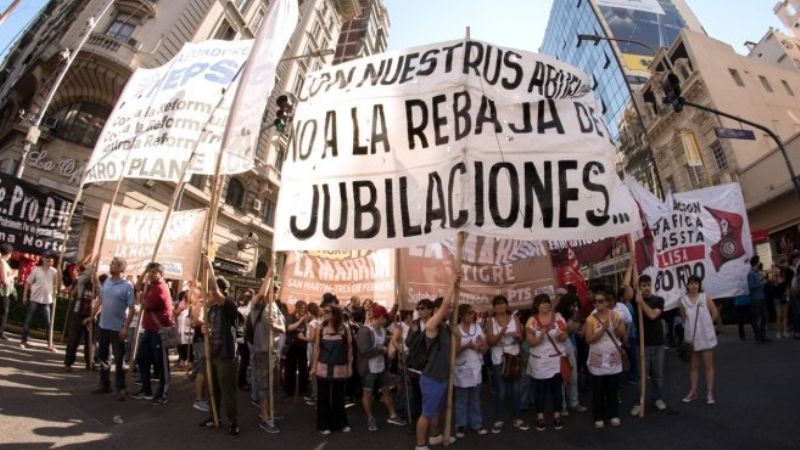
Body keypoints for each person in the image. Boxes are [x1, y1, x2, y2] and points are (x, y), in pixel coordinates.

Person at [199, 255, 241, 436]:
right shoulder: (212, 309)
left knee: (228, 391)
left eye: (212, 290)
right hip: (213, 355)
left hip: (226, 356)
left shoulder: (229, 306)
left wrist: (208, 266)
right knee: (212, 388)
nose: (209, 293)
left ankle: (233, 422)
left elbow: (215, 292)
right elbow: (208, 329)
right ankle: (214, 416)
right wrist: (204, 330)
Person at [415, 279, 458, 450]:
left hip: (442, 377)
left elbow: (455, 352)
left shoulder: (447, 328)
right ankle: (420, 445)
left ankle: (434, 436)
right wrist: (453, 282)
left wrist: (458, 336)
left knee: (437, 411)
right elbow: (445, 303)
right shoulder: (432, 325)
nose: (449, 310)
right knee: (427, 413)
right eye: (446, 309)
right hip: (431, 378)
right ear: (437, 311)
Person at [87, 257, 135, 399]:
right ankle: (104, 384)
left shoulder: (127, 286)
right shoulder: (107, 281)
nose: (110, 265)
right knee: (103, 357)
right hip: (103, 326)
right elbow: (100, 301)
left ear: (121, 267)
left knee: (119, 360)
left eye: (113, 264)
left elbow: (132, 309)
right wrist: (91, 316)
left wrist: (125, 328)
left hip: (117, 328)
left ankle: (120, 388)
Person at [356, 304, 407, 431]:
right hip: (368, 368)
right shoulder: (365, 330)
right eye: (385, 317)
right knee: (368, 393)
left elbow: (386, 339)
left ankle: (392, 415)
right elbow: (363, 350)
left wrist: (395, 336)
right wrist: (381, 350)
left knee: (386, 391)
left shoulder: (382, 330)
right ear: (380, 317)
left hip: (381, 367)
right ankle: (370, 418)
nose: (387, 319)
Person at [623, 271, 667, 415]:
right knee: (642, 376)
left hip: (658, 343)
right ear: (639, 287)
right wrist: (630, 265)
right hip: (642, 345)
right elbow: (625, 285)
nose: (647, 288)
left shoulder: (658, 300)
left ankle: (657, 398)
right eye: (643, 285)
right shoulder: (636, 300)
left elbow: (653, 315)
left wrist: (642, 303)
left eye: (648, 285)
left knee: (658, 374)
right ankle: (639, 401)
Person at [485, 295, 527, 433]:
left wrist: (517, 336)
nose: (500, 306)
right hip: (498, 360)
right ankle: (498, 420)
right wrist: (501, 334)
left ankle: (518, 418)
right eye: (497, 304)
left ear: (507, 305)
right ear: (494, 307)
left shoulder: (514, 318)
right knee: (500, 391)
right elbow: (490, 342)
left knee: (517, 390)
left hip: (514, 358)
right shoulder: (490, 321)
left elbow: (521, 339)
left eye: (502, 303)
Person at [584, 288, 625, 429]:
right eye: (595, 301)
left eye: (600, 301)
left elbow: (621, 335)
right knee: (598, 389)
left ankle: (613, 414)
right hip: (598, 359)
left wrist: (616, 326)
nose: (597, 304)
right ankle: (598, 416)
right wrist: (603, 329)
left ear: (608, 302)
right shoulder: (591, 319)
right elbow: (588, 339)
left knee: (612, 389)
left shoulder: (616, 315)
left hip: (613, 357)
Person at [525, 293, 567, 431]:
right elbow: (530, 343)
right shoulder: (532, 321)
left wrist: (562, 336)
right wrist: (541, 336)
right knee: (540, 390)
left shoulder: (558, 317)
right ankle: (540, 416)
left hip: (555, 360)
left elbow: (564, 336)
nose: (546, 305)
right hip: (539, 362)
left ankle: (557, 415)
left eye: (547, 302)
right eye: (542, 302)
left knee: (557, 389)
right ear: (537, 305)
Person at [134, 262, 174, 406]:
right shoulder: (151, 286)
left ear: (161, 274)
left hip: (159, 332)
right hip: (149, 330)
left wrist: (140, 296)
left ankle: (162, 393)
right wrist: (144, 271)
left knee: (161, 364)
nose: (151, 275)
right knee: (142, 359)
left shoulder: (160, 288)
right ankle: (146, 389)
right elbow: (137, 287)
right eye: (150, 272)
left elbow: (146, 305)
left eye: (154, 272)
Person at [250, 271, 285, 434]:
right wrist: (269, 274)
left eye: (275, 290)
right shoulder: (258, 306)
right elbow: (261, 294)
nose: (272, 293)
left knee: (274, 385)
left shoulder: (276, 307)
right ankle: (265, 418)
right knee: (264, 386)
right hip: (262, 351)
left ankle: (270, 411)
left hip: (275, 352)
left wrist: (275, 327)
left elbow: (283, 328)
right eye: (270, 290)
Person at [310, 303, 353, 435]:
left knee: (338, 397)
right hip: (323, 367)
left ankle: (340, 423)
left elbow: (350, 348)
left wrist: (350, 366)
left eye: (327, 312)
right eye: (324, 312)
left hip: (340, 368)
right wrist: (313, 367)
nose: (324, 314)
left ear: (335, 313)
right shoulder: (320, 328)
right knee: (323, 397)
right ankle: (323, 424)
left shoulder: (345, 328)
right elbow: (316, 348)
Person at [680, 275, 719, 405]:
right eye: (691, 283)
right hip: (691, 338)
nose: (694, 286)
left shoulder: (705, 297)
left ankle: (709, 392)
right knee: (693, 367)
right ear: (687, 285)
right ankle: (693, 391)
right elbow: (683, 318)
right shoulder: (683, 301)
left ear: (699, 285)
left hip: (706, 337)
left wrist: (708, 324)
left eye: (696, 283)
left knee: (708, 366)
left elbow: (715, 312)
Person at [454, 304, 488, 437]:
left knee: (475, 398)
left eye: (473, 312)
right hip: (461, 368)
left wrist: (480, 347)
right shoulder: (456, 330)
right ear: (461, 315)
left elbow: (485, 348)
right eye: (469, 313)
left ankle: (477, 424)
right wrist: (467, 346)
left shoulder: (478, 327)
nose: (472, 315)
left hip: (476, 367)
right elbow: (454, 353)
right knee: (461, 399)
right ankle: (460, 426)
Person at [554, 293, 587, 416]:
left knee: (573, 377)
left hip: (569, 348)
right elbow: (563, 333)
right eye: (572, 305)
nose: (575, 308)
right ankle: (562, 406)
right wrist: (572, 325)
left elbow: (571, 333)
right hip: (559, 352)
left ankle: (574, 403)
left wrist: (577, 328)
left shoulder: (572, 315)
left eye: (576, 305)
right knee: (563, 379)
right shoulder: (557, 315)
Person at [404, 298, 434, 424]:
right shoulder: (415, 324)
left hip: (432, 364)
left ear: (430, 310)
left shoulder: (436, 323)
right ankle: (416, 422)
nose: (420, 311)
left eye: (423, 308)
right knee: (416, 394)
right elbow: (408, 343)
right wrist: (414, 333)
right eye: (418, 309)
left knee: (431, 394)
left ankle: (431, 421)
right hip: (417, 365)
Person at [20, 251, 58, 351]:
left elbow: (57, 284)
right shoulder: (36, 270)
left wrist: (58, 286)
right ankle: (23, 341)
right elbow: (28, 283)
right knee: (28, 321)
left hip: (47, 300)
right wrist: (24, 296)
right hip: (35, 299)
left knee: (49, 323)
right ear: (42, 259)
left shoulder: (54, 271)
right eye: (47, 258)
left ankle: (50, 344)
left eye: (50, 258)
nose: (49, 259)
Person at [64, 258, 95, 371]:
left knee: (90, 341)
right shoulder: (81, 280)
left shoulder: (97, 284)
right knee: (74, 339)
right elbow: (86, 275)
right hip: (78, 312)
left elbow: (101, 297)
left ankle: (89, 363)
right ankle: (68, 363)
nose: (89, 271)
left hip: (90, 314)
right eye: (87, 269)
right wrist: (93, 262)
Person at [285, 300, 310, 398]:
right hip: (292, 345)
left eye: (305, 308)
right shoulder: (291, 317)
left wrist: (306, 323)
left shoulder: (308, 318)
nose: (303, 310)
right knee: (290, 369)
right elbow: (289, 328)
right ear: (297, 307)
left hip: (303, 346)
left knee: (303, 369)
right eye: (301, 307)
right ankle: (289, 390)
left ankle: (303, 390)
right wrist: (300, 321)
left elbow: (309, 332)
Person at [748, 256, 769, 344]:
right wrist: (761, 283)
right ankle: (758, 338)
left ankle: (762, 336)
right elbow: (751, 286)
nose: (759, 263)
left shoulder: (756, 273)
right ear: (756, 262)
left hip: (761, 297)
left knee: (764, 317)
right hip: (756, 298)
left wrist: (762, 280)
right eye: (758, 261)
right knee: (756, 319)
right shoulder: (751, 273)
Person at [0, 243, 16, 340]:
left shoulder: (3, 262)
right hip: (3, 292)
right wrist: (14, 275)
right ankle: (0, 332)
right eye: (10, 253)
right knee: (4, 312)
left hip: (4, 291)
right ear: (7, 253)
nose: (11, 255)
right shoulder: (2, 262)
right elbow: (4, 280)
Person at [774, 259, 791, 339]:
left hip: (784, 295)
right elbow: (775, 283)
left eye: (784, 263)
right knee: (779, 316)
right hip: (777, 296)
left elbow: (787, 285)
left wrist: (787, 293)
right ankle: (778, 332)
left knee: (785, 315)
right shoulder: (775, 275)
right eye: (782, 263)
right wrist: (776, 276)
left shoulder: (786, 273)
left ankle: (785, 331)